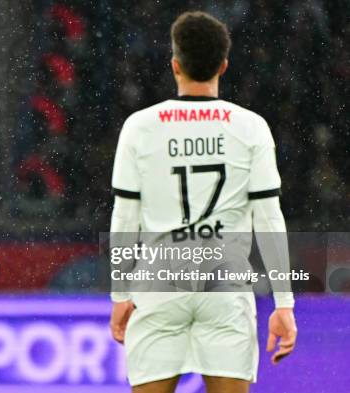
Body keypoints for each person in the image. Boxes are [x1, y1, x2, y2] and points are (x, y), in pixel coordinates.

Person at [109, 12, 297, 393]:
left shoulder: (141, 127)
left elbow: (125, 215)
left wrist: (120, 294)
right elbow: (268, 216)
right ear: (223, 66)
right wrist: (284, 302)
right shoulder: (250, 127)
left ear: (175, 64)